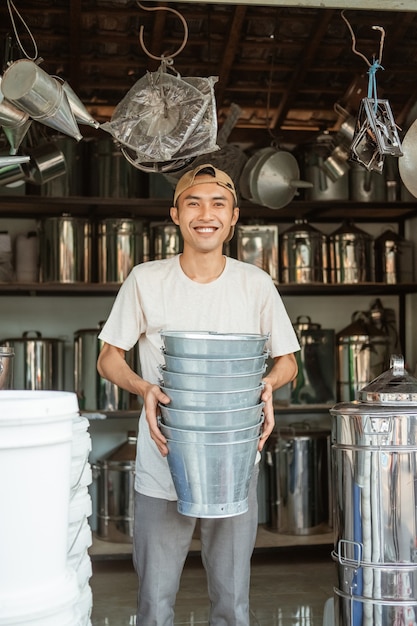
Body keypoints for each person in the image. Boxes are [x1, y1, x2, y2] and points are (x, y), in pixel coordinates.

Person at [97, 163, 300, 625]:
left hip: (235, 462)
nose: (205, 214)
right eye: (193, 203)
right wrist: (143, 387)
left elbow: (287, 360)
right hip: (162, 461)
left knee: (232, 603)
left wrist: (267, 385)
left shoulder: (256, 284)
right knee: (154, 600)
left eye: (217, 204)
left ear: (233, 217)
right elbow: (108, 358)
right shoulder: (146, 280)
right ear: (175, 214)